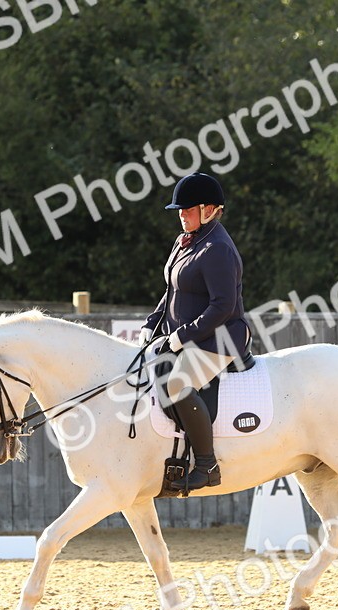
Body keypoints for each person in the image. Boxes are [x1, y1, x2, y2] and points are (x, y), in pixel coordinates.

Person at [141, 172, 251, 491]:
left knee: (175, 384)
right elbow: (171, 290)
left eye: (187, 209)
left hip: (222, 337)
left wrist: (180, 337)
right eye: (180, 210)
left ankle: (207, 466)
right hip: (190, 336)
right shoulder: (184, 241)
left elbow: (222, 306)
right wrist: (152, 324)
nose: (181, 215)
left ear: (209, 210)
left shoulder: (218, 249)